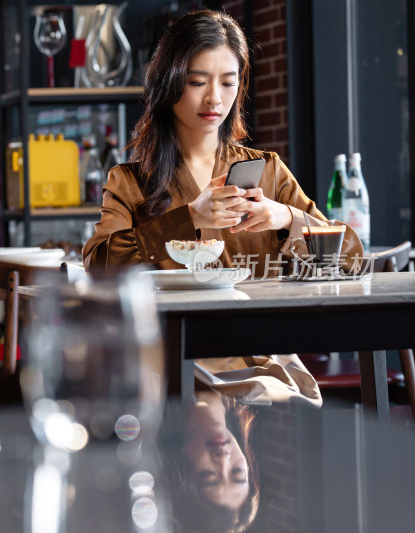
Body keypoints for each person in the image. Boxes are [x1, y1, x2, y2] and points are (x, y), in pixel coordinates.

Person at [82, 9, 364, 407]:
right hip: (168, 362)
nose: (215, 98)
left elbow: (351, 257)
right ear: (169, 83)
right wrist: (189, 218)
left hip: (257, 357)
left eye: (228, 82)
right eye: (197, 81)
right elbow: (98, 267)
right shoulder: (129, 181)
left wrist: (286, 217)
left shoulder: (265, 171)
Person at [159, 392, 260, 533]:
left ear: (179, 471)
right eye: (237, 471)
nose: (223, 459)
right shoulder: (251, 388)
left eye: (207, 475)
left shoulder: (152, 396)